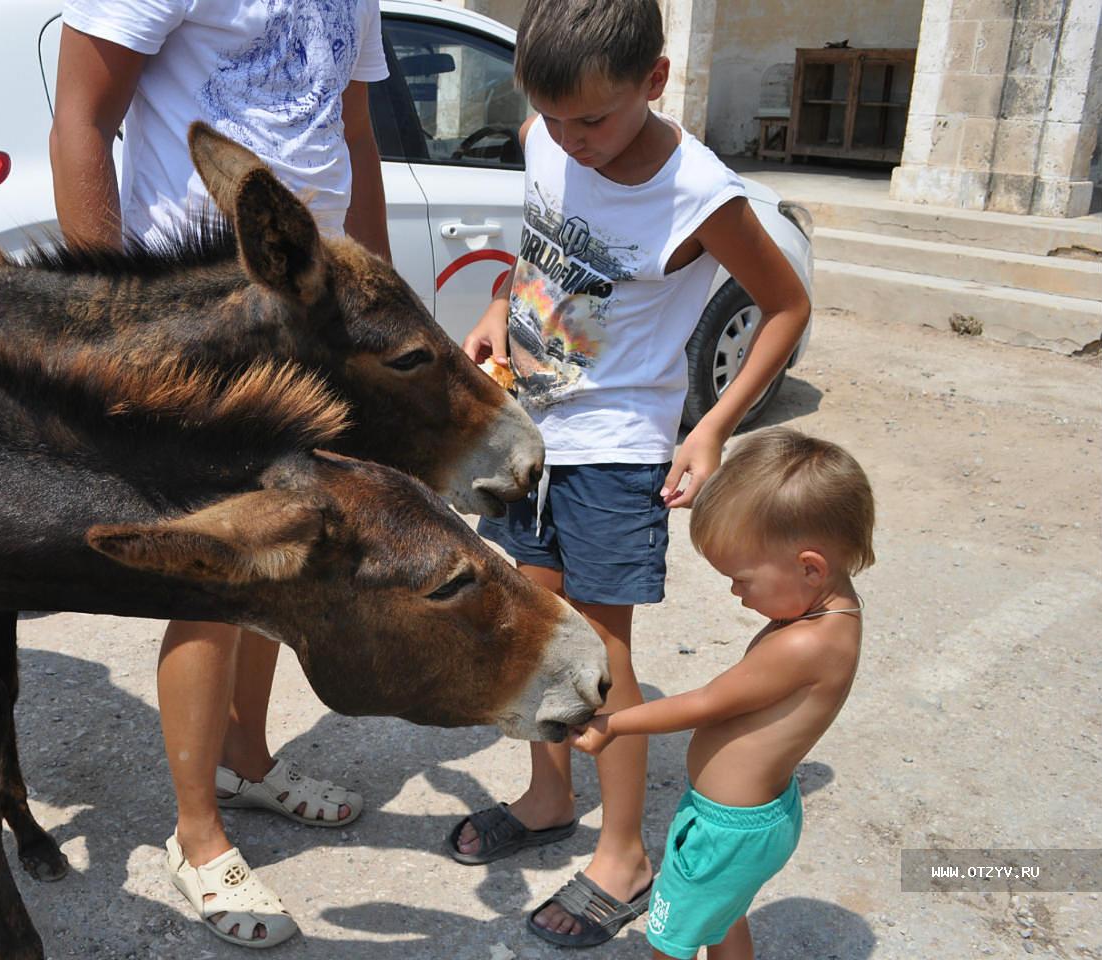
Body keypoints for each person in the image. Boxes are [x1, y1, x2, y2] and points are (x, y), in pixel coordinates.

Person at [453, 0, 812, 947]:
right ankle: (543, 798)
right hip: (526, 425)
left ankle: (621, 852)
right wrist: (502, 307)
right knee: (534, 630)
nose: (573, 142)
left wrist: (713, 429)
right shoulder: (548, 134)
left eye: (594, 122)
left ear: (654, 81)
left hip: (615, 449)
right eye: (556, 121)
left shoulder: (699, 194)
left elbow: (782, 305)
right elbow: (549, 251)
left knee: (601, 649)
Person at [49, 0, 390, 947]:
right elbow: (83, 114)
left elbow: (351, 133)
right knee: (216, 576)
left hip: (311, 319)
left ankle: (246, 758)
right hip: (202, 318)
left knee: (295, 548)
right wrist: (111, 320)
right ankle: (195, 833)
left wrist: (378, 305)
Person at [567, 427, 873, 959]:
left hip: (726, 832)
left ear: (810, 567)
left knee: (671, 935)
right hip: (747, 821)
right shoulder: (830, 614)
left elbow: (706, 703)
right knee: (721, 918)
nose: (736, 593)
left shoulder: (803, 644)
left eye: (742, 579)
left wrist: (613, 724)